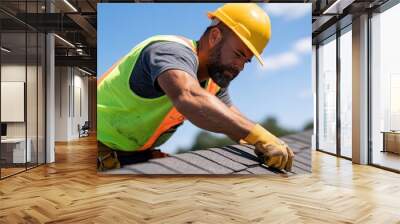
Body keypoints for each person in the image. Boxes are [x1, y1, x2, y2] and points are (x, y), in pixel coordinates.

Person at [97, 3, 294, 172]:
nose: (240, 66)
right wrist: (259, 136)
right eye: (238, 54)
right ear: (215, 36)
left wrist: (269, 141)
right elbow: (189, 96)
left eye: (246, 61)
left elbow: (229, 118)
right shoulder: (169, 51)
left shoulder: (212, 81)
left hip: (133, 154)